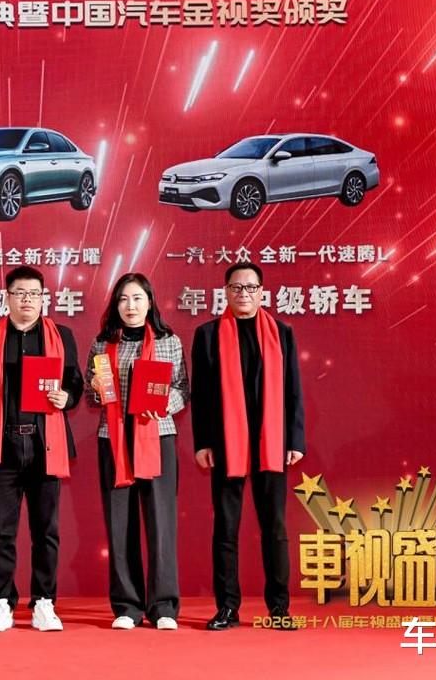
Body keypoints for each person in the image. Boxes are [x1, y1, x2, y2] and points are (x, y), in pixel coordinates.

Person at [191, 262, 306, 632]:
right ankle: (227, 608)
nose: (244, 294)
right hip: (226, 443)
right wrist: (202, 442)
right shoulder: (207, 334)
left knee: (275, 527)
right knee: (226, 528)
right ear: (226, 291)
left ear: (261, 292)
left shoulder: (282, 333)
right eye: (236, 287)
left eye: (251, 287)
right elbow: (201, 396)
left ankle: (279, 608)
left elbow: (293, 389)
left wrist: (295, 440)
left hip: (272, 443)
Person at [0, 266, 83, 632]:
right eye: (20, 293)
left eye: (34, 294)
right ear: (7, 297)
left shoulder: (61, 336)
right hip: (3, 444)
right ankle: (0, 602)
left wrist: (67, 397)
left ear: (43, 298)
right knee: (2, 530)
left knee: (46, 530)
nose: (27, 300)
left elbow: (75, 382)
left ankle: (44, 602)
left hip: (45, 443)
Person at [86, 272, 188, 630]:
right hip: (113, 439)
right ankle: (127, 606)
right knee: (120, 525)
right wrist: (96, 389)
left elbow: (182, 388)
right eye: (123, 299)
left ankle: (163, 606)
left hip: (157, 436)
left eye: (137, 298)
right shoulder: (102, 344)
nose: (130, 306)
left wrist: (164, 405)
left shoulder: (168, 341)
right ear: (115, 305)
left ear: (149, 303)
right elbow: (92, 396)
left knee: (161, 523)